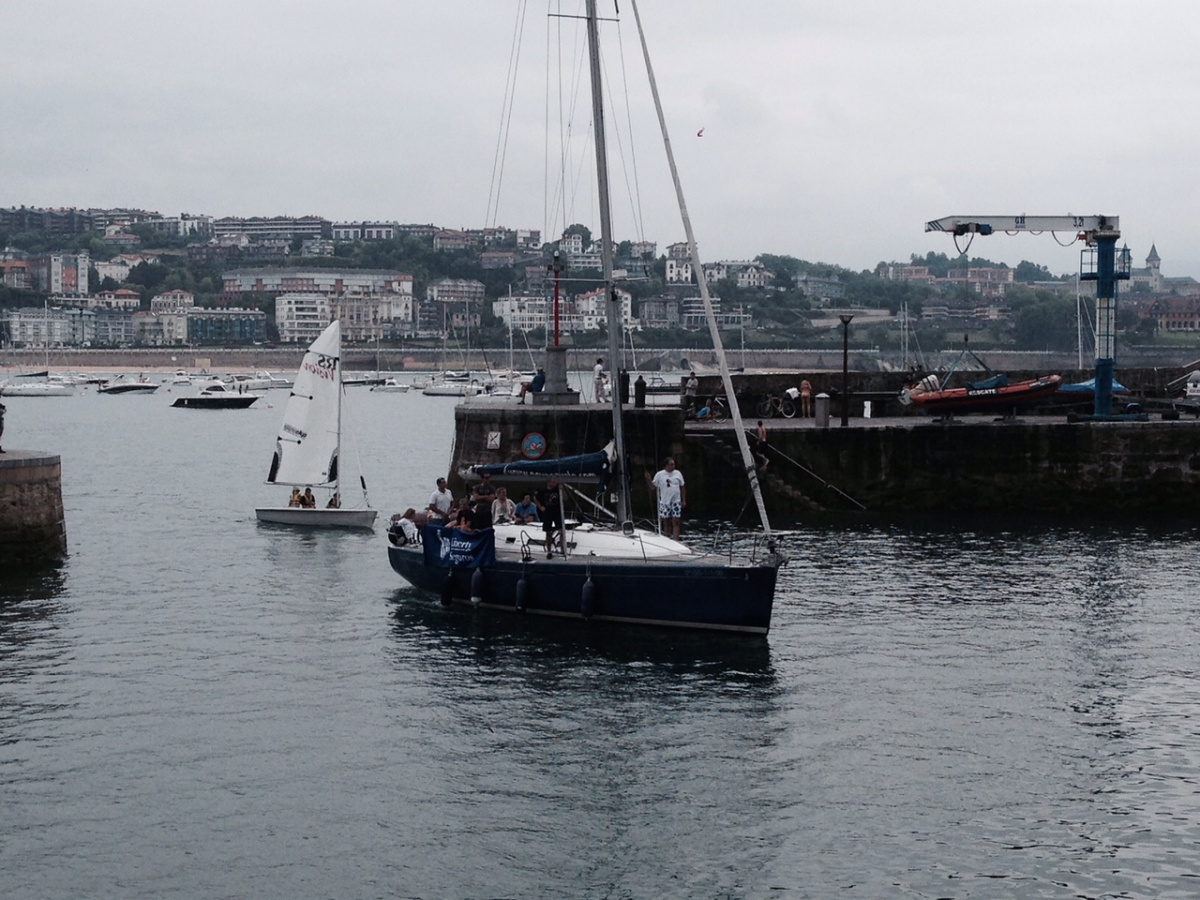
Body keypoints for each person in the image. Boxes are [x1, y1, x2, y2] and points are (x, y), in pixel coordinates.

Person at [646, 457, 686, 541]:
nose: (673, 466)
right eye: (671, 464)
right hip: (665, 501)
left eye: (674, 464)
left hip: (676, 501)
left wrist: (683, 500)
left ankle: (676, 539)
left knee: (676, 521)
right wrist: (649, 480)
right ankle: (667, 539)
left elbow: (682, 487)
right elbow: (653, 487)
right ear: (666, 465)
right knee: (666, 522)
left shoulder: (678, 473)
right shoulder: (659, 475)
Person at [535, 477, 564, 557]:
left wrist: (562, 490)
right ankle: (549, 550)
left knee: (561, 530)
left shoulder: (557, 490)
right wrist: (540, 507)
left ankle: (562, 549)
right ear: (549, 483)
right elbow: (535, 498)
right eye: (553, 482)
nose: (555, 483)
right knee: (548, 532)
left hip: (557, 512)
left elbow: (565, 498)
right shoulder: (543, 491)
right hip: (547, 512)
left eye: (555, 482)